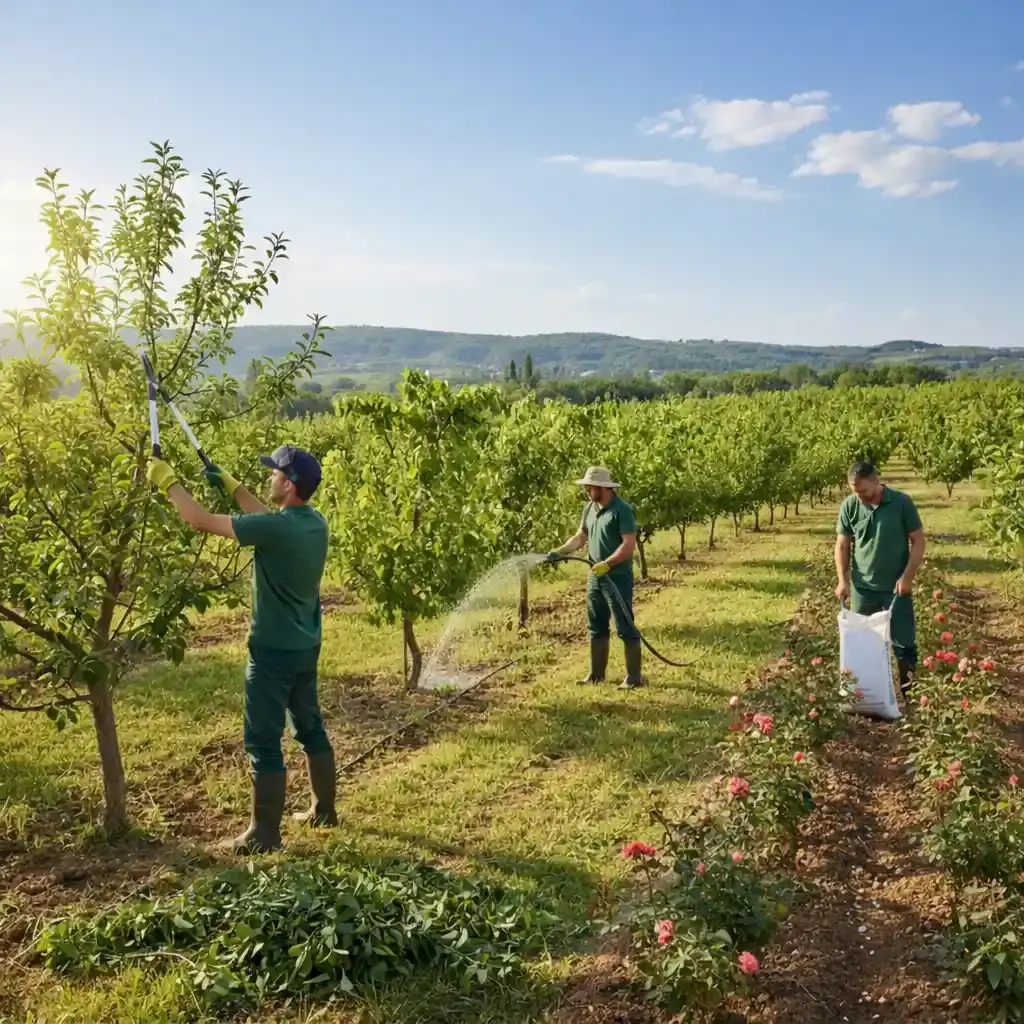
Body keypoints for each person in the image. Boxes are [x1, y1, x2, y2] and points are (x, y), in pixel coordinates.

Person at [146, 445, 336, 853]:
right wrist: (233, 487)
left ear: (288, 485)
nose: (268, 479)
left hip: (271, 654)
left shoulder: (277, 529)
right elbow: (268, 521)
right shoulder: (313, 523)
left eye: (274, 475)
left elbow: (196, 520)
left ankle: (264, 834)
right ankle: (324, 811)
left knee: (263, 740)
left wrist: (168, 481)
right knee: (309, 727)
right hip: (305, 648)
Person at [835, 461, 926, 701]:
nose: (860, 497)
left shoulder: (901, 503)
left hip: (896, 589)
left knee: (904, 644)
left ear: (876, 481)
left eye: (864, 491)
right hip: (863, 589)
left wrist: (907, 576)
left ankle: (910, 697)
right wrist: (842, 581)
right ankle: (866, 698)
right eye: (855, 492)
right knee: (863, 645)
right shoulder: (850, 506)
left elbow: (918, 540)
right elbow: (843, 544)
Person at [547, 466, 643, 689]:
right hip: (595, 576)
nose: (586, 491)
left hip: (617, 577)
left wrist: (608, 564)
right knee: (596, 625)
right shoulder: (590, 508)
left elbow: (629, 545)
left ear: (602, 488)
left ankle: (633, 678)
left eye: (589, 487)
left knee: (625, 626)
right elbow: (581, 537)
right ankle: (596, 675)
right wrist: (560, 551)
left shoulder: (622, 510)